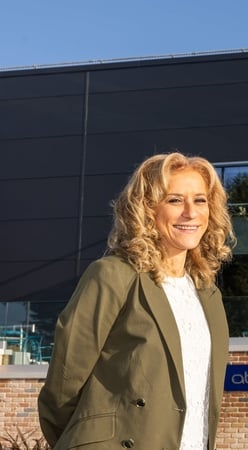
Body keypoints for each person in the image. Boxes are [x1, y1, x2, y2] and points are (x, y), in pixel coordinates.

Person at [38, 152, 235, 450]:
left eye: (200, 200)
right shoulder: (112, 275)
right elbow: (63, 387)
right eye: (174, 200)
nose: (190, 212)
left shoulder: (207, 292)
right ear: (146, 209)